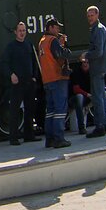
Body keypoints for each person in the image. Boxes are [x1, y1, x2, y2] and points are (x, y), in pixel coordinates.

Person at [0, 20, 40, 145]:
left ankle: (29, 135)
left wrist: (34, 77)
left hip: (29, 82)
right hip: (17, 83)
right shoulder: (11, 47)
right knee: (15, 111)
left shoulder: (29, 45)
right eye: (20, 31)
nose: (22, 33)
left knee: (30, 109)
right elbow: (4, 64)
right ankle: (13, 137)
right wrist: (11, 75)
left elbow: (35, 62)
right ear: (15, 32)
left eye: (24, 30)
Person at [37, 18, 71, 148]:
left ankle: (49, 139)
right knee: (60, 110)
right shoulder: (53, 40)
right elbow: (61, 55)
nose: (58, 30)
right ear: (50, 28)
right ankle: (59, 138)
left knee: (50, 111)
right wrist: (63, 46)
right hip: (57, 78)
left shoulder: (42, 41)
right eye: (57, 27)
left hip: (47, 80)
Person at [84, 5, 106, 138]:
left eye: (92, 15)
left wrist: (86, 55)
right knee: (101, 96)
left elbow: (98, 51)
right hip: (101, 67)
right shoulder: (99, 29)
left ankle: (100, 126)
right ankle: (105, 124)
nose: (90, 18)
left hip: (98, 67)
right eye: (88, 16)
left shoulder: (98, 30)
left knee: (97, 98)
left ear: (97, 15)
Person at [66, 59, 91, 134]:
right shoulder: (76, 73)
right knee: (79, 97)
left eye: (87, 62)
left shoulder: (91, 73)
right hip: (74, 99)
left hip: (86, 97)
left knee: (103, 95)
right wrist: (87, 94)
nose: (85, 64)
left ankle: (103, 124)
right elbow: (76, 89)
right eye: (84, 62)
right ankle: (81, 127)